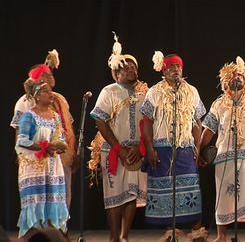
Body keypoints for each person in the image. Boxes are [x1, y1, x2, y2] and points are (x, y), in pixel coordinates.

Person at [199, 56, 245, 242]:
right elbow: (208, 131)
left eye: (240, 76)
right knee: (223, 197)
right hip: (223, 158)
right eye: (232, 76)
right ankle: (221, 235)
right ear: (225, 81)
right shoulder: (219, 104)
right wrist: (199, 151)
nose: (236, 79)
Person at [140, 51, 207, 241]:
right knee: (166, 189)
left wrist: (197, 148)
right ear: (164, 70)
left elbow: (198, 123)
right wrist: (151, 149)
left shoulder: (192, 91)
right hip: (162, 148)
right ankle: (172, 231)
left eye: (178, 66)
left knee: (191, 188)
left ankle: (195, 231)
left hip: (185, 147)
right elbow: (147, 122)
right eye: (170, 67)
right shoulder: (154, 92)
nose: (175, 70)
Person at [89, 32, 148, 242]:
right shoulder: (109, 91)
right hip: (114, 151)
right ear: (117, 72)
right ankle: (114, 236)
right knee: (114, 197)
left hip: (136, 151)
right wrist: (119, 150)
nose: (132, 69)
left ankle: (125, 235)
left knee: (131, 194)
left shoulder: (144, 93)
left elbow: (149, 124)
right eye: (127, 67)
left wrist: (139, 148)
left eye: (134, 66)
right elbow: (100, 122)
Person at [10, 50, 77, 209]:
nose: (51, 76)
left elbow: (68, 127)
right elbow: (20, 133)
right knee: (39, 197)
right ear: (38, 80)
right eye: (46, 74)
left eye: (50, 73)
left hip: (59, 156)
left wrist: (72, 152)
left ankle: (60, 230)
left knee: (62, 194)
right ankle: (39, 232)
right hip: (36, 157)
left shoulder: (60, 99)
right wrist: (22, 156)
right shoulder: (24, 102)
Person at [15, 74, 69, 241]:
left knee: (51, 208)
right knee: (34, 207)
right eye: (46, 91)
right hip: (33, 167)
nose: (51, 93)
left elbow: (61, 138)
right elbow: (22, 140)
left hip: (52, 168)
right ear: (37, 95)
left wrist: (60, 146)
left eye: (51, 90)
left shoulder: (55, 116)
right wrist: (45, 146)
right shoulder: (29, 116)